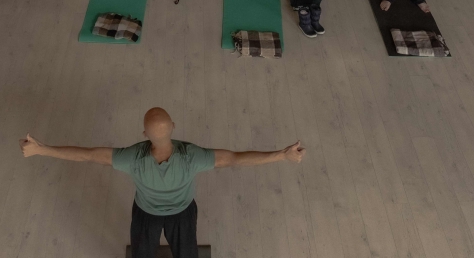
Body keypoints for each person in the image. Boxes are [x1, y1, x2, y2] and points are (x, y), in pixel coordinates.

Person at [20, 107, 305, 258]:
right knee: (186, 253)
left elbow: (88, 156)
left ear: (144, 133)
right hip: (181, 214)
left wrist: (41, 149)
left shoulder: (132, 157)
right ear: (174, 128)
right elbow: (234, 158)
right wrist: (282, 155)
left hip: (147, 215)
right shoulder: (192, 156)